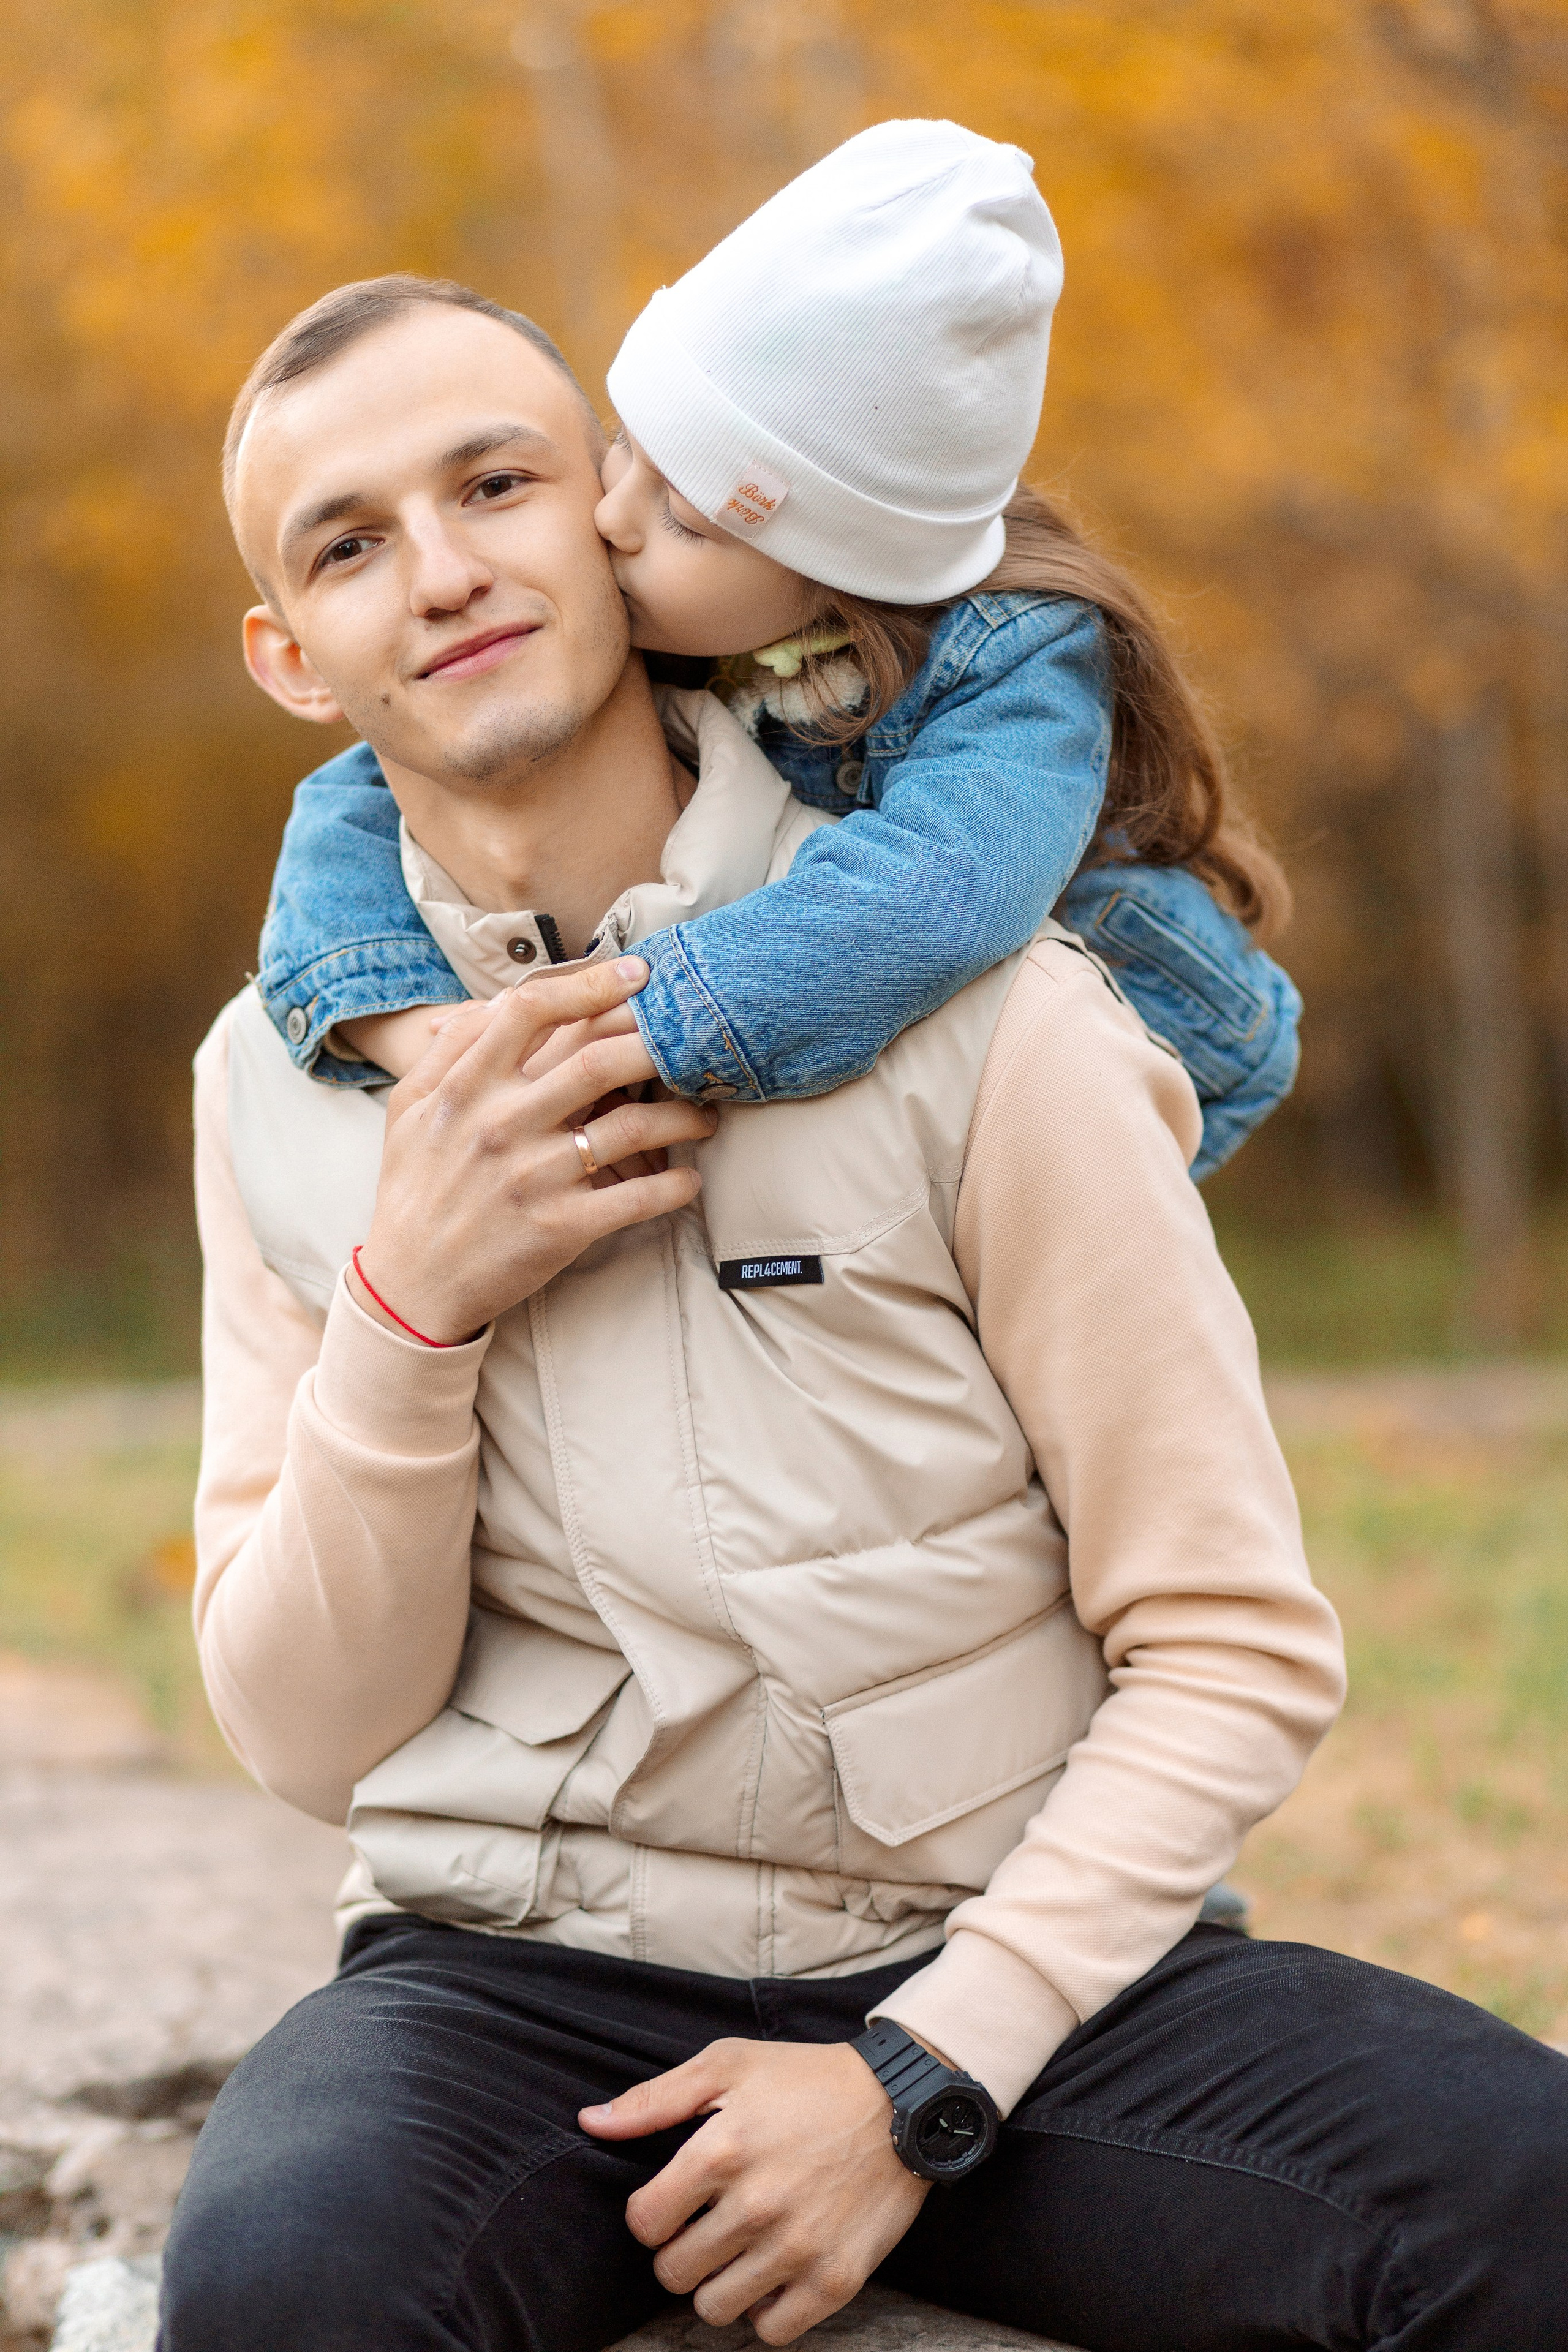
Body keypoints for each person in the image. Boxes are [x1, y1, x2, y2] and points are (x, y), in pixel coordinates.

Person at [164, 285, 1568, 2352]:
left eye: (497, 484)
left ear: (620, 521)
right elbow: (303, 1735)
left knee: (1532, 2205)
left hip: (1031, 1974)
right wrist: (410, 1307)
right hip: (520, 1980)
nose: (444, 569)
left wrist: (920, 2078)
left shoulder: (989, 1000)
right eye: (350, 542)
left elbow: (1231, 1645)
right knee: (285, 2288)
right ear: (291, 656)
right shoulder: (264, 1087)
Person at [255, 121, 1299, 1182]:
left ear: (824, 575)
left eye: (686, 517)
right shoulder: (704, 610)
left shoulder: (1012, 668)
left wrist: (645, 1031)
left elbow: (937, 898)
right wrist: (405, 1024)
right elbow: (363, 797)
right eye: (629, 454)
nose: (610, 520)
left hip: (1148, 1021)